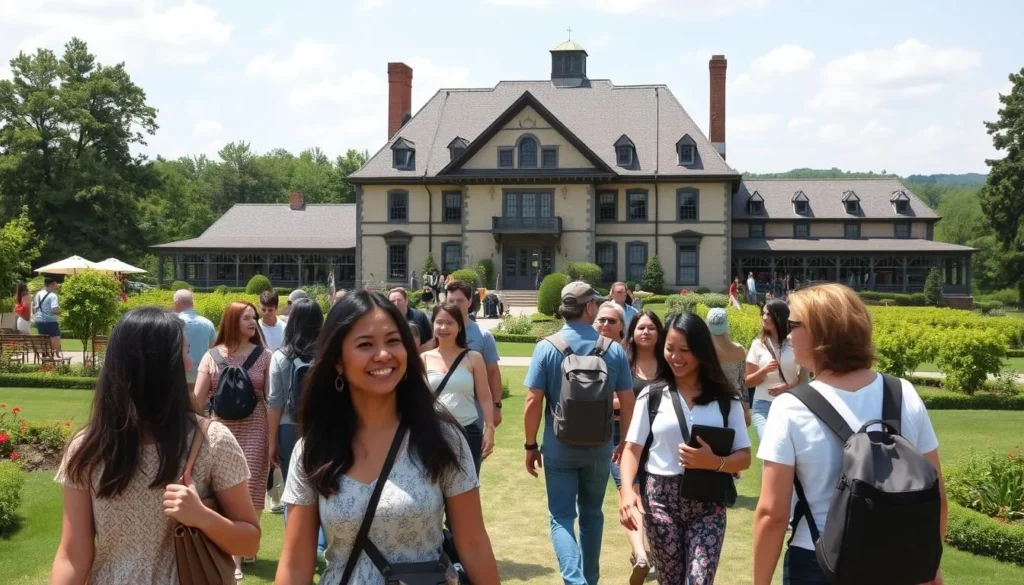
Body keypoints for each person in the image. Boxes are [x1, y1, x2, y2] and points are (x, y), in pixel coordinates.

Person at [274, 291, 500, 585]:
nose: (383, 354)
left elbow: (473, 544)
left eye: (393, 341)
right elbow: (295, 564)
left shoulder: (441, 437)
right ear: (338, 361)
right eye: (366, 344)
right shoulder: (315, 448)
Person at [753, 284, 947, 585]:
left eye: (794, 325)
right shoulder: (903, 394)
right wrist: (928, 566)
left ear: (821, 332)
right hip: (897, 558)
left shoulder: (790, 407)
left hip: (818, 558)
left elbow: (772, 515)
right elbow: (937, 497)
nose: (788, 334)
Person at [50, 307, 260, 584]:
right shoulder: (88, 449)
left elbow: (249, 543)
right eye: (184, 351)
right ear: (161, 366)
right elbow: (72, 555)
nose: (191, 361)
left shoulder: (212, 440)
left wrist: (202, 517)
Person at [619, 312, 752, 585]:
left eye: (685, 350)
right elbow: (631, 449)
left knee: (699, 580)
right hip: (660, 502)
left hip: (708, 504)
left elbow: (744, 457)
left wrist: (714, 461)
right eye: (670, 348)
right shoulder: (652, 396)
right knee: (671, 581)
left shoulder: (727, 402)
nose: (676, 357)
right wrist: (627, 494)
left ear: (701, 351)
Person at [523, 281, 635, 585]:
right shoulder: (613, 350)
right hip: (599, 447)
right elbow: (628, 401)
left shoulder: (547, 347)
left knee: (561, 517)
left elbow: (533, 401)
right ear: (588, 308)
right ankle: (591, 579)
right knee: (591, 515)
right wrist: (624, 442)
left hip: (558, 448)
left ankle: (574, 581)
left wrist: (530, 445)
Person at [193, 301, 272, 579]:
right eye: (246, 318)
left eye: (254, 318)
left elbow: (272, 400)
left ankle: (242, 552)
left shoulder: (265, 356)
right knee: (224, 487)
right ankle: (234, 554)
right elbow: (197, 400)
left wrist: (273, 439)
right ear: (231, 321)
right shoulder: (211, 356)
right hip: (221, 430)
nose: (253, 323)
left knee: (251, 486)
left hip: (256, 427)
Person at [266, 298, 328, 558]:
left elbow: (275, 400)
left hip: (289, 427)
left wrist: (272, 441)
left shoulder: (281, 355)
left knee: (294, 487)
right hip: (325, 426)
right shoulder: (327, 353)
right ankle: (321, 544)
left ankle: (296, 546)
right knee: (325, 484)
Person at [421, 302, 495, 472]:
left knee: (468, 489)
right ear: (433, 325)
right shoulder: (423, 359)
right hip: (434, 433)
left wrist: (490, 428)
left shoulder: (473, 358)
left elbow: (484, 396)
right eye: (439, 322)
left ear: (460, 327)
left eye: (449, 323)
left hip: (467, 432)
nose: (443, 327)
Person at [745, 299, 807, 441]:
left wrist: (787, 387)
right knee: (769, 445)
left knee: (789, 452)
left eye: (768, 314)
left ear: (779, 317)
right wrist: (764, 371)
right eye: (763, 313)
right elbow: (748, 382)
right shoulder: (757, 345)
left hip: (792, 404)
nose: (764, 317)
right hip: (763, 406)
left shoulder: (795, 342)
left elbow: (805, 379)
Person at [445, 280, 504, 428]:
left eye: (459, 301)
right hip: (441, 416)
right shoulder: (438, 333)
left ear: (469, 302)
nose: (454, 305)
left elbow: (493, 372)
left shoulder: (483, 335)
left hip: (473, 414)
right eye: (451, 301)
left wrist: (496, 406)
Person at [173, 289, 217, 393]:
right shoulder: (207, 323)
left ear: (176, 303)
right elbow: (214, 349)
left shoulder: (172, 323)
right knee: (198, 406)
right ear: (193, 303)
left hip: (177, 374)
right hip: (201, 374)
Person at [388, 287, 432, 352]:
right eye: (392, 301)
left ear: (406, 301)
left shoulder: (419, 316)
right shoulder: (386, 319)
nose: (396, 303)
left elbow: (429, 339)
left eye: (399, 300)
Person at [32, 277, 62, 352]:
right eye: (55, 284)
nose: (57, 286)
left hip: (38, 320)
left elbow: (35, 305)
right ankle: (56, 357)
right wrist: (60, 312)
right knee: (55, 338)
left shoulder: (39, 293)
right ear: (52, 285)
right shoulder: (53, 295)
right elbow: (55, 310)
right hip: (50, 320)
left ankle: (45, 356)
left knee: (43, 339)